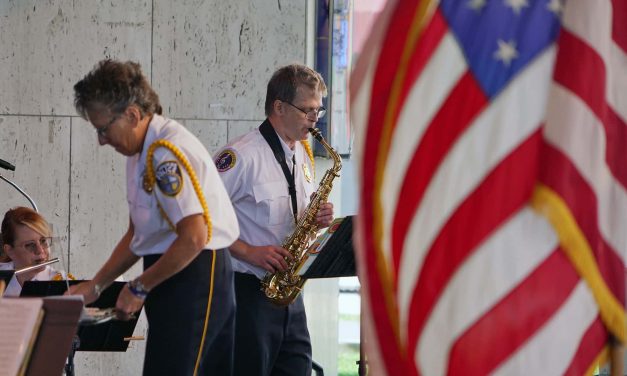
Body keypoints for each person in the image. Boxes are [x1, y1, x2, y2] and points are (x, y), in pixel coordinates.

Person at [68, 59, 240, 375]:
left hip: (196, 274)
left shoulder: (165, 152)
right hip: (172, 272)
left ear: (133, 115)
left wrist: (140, 287)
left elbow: (194, 237)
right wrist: (96, 285)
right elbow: (140, 235)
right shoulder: (141, 151)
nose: (101, 140)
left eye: (104, 128)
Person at [214, 64, 334, 376]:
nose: (314, 120)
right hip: (246, 294)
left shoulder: (303, 155)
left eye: (318, 111)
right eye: (307, 110)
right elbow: (198, 218)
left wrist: (318, 217)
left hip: (288, 294)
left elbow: (297, 214)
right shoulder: (241, 155)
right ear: (279, 107)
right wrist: (248, 251)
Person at [0, 206, 69, 297]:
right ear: (9, 251)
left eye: (43, 241)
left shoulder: (61, 282)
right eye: (30, 245)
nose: (40, 251)